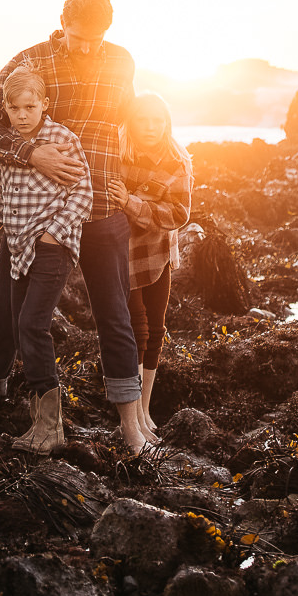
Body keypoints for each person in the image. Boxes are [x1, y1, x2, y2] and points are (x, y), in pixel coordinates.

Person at [0, 0, 153, 454]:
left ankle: (132, 428)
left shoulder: (121, 61)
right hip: (37, 214)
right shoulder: (31, 62)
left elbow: (132, 123)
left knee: (115, 316)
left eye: (97, 38)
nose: (88, 47)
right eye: (78, 37)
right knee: (6, 317)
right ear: (61, 22)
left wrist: (162, 179)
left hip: (103, 207)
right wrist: (32, 153)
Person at [0, 67, 92, 455]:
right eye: (14, 107)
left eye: (30, 106)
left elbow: (83, 195)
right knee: (7, 321)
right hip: (15, 247)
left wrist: (52, 233)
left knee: (31, 324)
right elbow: (2, 198)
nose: (22, 114)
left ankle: (50, 425)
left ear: (44, 104)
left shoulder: (62, 140)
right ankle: (4, 410)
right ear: (5, 108)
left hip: (50, 249)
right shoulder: (9, 147)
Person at [107, 92, 193, 443]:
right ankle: (132, 417)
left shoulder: (177, 160)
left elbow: (178, 214)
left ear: (166, 124)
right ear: (131, 121)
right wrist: (138, 205)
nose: (151, 127)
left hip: (157, 252)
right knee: (136, 330)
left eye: (158, 121)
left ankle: (144, 410)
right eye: (143, 120)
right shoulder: (116, 153)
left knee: (155, 329)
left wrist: (132, 203)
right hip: (120, 252)